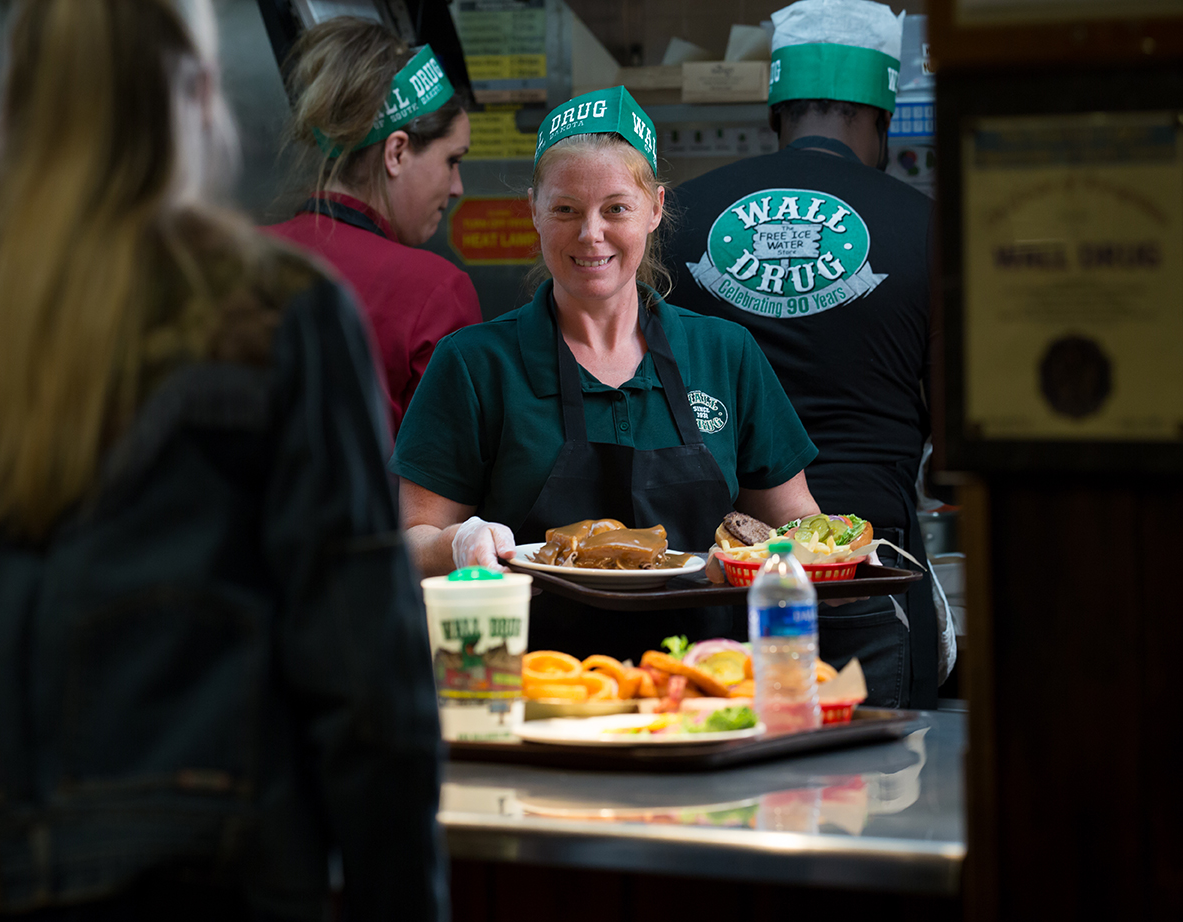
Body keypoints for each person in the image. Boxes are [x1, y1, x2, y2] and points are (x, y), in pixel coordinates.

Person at [0, 2, 444, 919]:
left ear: (15, 99)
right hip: (214, 878)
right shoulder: (282, 316)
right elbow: (368, 696)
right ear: (199, 94)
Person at [391, 86, 823, 661]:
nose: (590, 234)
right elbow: (410, 541)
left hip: (705, 689)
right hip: (533, 687)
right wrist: (458, 542)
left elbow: (795, 522)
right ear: (534, 212)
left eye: (615, 208)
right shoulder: (474, 364)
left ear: (655, 209)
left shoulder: (725, 352)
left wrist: (777, 559)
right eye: (566, 208)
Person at [660, 0, 939, 708]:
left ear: (775, 113)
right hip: (863, 574)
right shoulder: (928, 227)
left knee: (717, 785)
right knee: (870, 795)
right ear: (881, 117)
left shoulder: (679, 219)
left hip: (708, 572)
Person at [268, 17, 480, 435]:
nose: (457, 187)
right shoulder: (435, 292)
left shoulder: (240, 260)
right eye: (451, 161)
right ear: (396, 153)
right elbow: (446, 483)